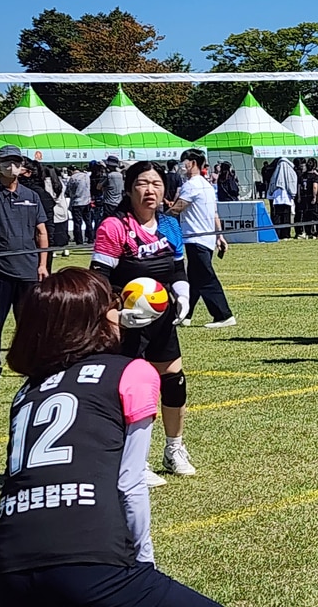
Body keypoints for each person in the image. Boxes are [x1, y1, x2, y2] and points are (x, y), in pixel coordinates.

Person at [0, 268, 222, 607]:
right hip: (87, 560)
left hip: (4, 568)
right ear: (93, 319)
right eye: (111, 304)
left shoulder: (27, 391)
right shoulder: (131, 372)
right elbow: (130, 482)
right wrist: (144, 561)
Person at [92, 162, 196, 486]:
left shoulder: (170, 225)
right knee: (132, 389)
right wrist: (115, 316)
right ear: (128, 189)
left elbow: (178, 268)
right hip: (125, 320)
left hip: (161, 318)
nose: (150, 190)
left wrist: (182, 291)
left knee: (173, 380)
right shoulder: (114, 227)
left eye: (156, 183)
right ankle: (133, 459)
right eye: (142, 183)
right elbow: (98, 280)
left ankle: (174, 448)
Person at [0, 146, 49, 383]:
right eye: (6, 162)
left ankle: (32, 365)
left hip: (28, 270)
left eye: (15, 162)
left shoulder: (31, 196)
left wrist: (42, 264)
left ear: (22, 166)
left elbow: (41, 232)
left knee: (30, 322)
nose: (11, 167)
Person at [168, 149, 235, 330]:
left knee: (205, 278)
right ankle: (185, 315)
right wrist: (219, 236)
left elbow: (176, 209)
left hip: (195, 238)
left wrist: (155, 221)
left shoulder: (192, 185)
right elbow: (214, 213)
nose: (182, 166)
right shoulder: (207, 185)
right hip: (206, 239)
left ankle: (223, 315)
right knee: (194, 280)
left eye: (185, 162)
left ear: (193, 163)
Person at [267, 156, 298, 240]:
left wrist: (271, 193)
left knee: (277, 215)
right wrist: (293, 193)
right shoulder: (290, 170)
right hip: (286, 197)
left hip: (277, 196)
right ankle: (285, 234)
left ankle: (278, 233)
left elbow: (272, 183)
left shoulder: (276, 170)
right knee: (286, 216)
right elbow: (292, 182)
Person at [65, 162, 93, 244]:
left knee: (77, 223)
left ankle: (79, 240)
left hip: (77, 203)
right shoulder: (86, 176)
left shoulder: (72, 178)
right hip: (87, 201)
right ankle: (90, 238)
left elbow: (68, 191)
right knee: (88, 221)